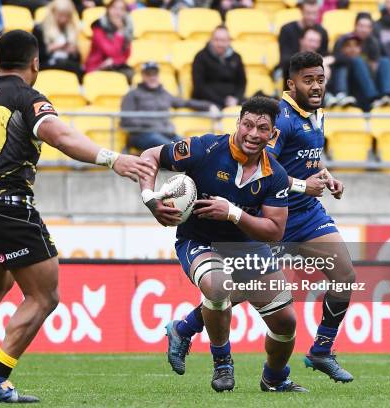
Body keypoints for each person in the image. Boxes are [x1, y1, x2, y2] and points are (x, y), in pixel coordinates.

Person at [0, 30, 154, 403]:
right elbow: (60, 136)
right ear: (35, 63)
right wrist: (113, 159)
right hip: (10, 208)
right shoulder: (27, 98)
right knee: (44, 295)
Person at [164, 52, 357, 385]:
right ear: (290, 83)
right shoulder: (278, 120)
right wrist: (303, 185)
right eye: (307, 80)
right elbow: (264, 165)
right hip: (271, 214)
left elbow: (303, 160)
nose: (315, 86)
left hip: (306, 214)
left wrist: (324, 175)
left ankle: (322, 349)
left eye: (320, 79)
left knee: (345, 275)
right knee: (243, 289)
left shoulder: (315, 115)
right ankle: (186, 329)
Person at [139, 96, 307, 393]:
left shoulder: (275, 175)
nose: (254, 134)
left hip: (246, 247)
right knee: (218, 286)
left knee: (285, 322)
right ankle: (222, 363)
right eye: (248, 125)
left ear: (273, 135)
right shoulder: (205, 148)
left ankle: (274, 378)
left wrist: (232, 212)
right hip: (198, 240)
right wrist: (150, 198)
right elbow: (150, 155)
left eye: (263, 128)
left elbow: (274, 231)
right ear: (238, 123)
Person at [121, 61, 218, 150]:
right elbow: (126, 120)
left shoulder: (164, 94)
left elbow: (184, 102)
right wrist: (151, 124)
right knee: (176, 149)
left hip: (166, 134)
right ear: (143, 76)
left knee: (192, 147)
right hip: (143, 134)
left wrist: (208, 106)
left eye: (155, 74)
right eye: (148, 74)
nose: (152, 77)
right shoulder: (132, 94)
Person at [331, 13, 390, 110]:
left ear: (371, 29)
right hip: (349, 79)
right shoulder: (344, 40)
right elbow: (335, 59)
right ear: (355, 26)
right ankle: (373, 97)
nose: (364, 29)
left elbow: (380, 62)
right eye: (361, 26)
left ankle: (386, 95)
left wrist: (373, 65)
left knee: (386, 61)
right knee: (358, 61)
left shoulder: (374, 42)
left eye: (367, 27)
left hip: (369, 77)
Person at [191, 25, 246, 109]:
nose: (220, 44)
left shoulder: (236, 57)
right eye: (216, 40)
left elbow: (241, 82)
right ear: (211, 40)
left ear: (229, 41)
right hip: (208, 103)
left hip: (232, 102)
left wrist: (236, 98)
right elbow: (199, 86)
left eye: (223, 40)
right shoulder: (200, 57)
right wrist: (222, 102)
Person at [84, 0, 133, 82]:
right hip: (97, 67)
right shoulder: (98, 27)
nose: (118, 12)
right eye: (114, 8)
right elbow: (110, 51)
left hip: (114, 67)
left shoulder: (126, 29)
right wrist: (119, 34)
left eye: (122, 9)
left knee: (131, 75)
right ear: (108, 9)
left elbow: (126, 54)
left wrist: (114, 61)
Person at [33, 0, 82, 78]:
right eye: (61, 15)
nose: (64, 19)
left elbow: (77, 60)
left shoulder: (72, 29)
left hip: (68, 65)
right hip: (46, 65)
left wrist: (73, 52)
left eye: (67, 16)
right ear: (53, 13)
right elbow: (36, 57)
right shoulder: (39, 29)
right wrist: (51, 48)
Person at [278, 0, 329, 73]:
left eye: (315, 13)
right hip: (291, 71)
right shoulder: (287, 30)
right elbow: (285, 59)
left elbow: (324, 55)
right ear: (301, 11)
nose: (312, 17)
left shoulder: (322, 32)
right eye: (308, 13)